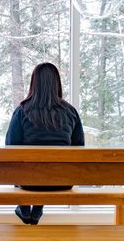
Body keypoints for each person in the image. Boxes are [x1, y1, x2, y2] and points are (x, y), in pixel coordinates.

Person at [5, 62, 85, 224]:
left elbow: (10, 146)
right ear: (57, 83)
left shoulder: (23, 110)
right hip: (63, 181)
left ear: (34, 83)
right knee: (47, 170)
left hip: (29, 182)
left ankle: (25, 206)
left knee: (22, 164)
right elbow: (79, 147)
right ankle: (37, 208)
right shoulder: (70, 112)